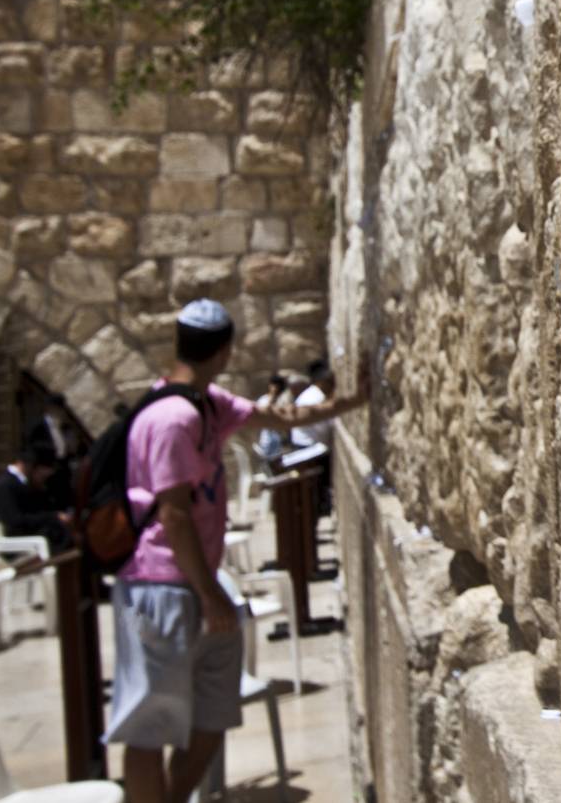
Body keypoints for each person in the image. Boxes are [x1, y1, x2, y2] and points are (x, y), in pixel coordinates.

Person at [105, 299, 369, 803]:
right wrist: (210, 594)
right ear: (224, 351)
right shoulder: (173, 418)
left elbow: (281, 416)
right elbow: (174, 514)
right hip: (159, 588)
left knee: (212, 714)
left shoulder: (210, 404)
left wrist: (352, 403)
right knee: (148, 724)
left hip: (197, 584)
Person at [0, 442, 71, 551]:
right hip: (18, 543)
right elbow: (14, 521)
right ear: (30, 466)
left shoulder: (23, 483)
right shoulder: (5, 485)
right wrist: (53, 516)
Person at [289, 359, 338, 512]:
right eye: (330, 383)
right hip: (310, 448)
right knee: (316, 485)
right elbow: (324, 428)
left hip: (304, 445)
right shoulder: (317, 397)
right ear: (323, 382)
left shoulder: (311, 394)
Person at [253, 374, 291, 462]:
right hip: (268, 439)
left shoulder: (283, 399)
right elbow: (262, 417)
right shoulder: (263, 400)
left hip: (281, 438)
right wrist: (272, 399)